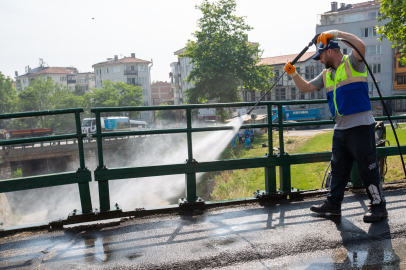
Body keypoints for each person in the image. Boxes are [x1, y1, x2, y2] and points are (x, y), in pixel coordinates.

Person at [284, 30, 386, 222]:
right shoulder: (326, 75)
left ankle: (379, 207)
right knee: (338, 169)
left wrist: (335, 33)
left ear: (329, 51)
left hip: (361, 127)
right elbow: (306, 88)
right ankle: (333, 205)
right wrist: (294, 73)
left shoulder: (353, 62)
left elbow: (361, 46)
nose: (320, 61)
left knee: (368, 169)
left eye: (320, 56)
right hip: (340, 130)